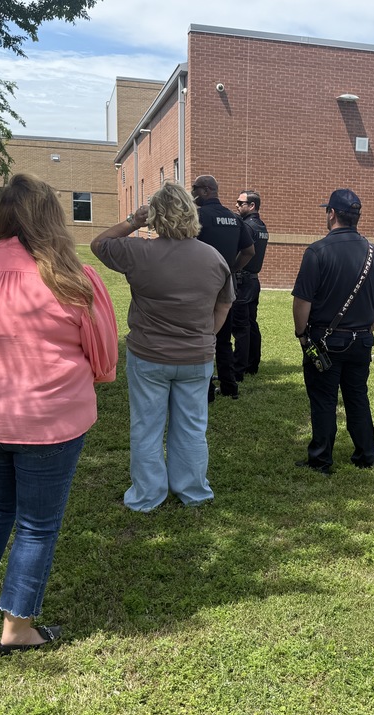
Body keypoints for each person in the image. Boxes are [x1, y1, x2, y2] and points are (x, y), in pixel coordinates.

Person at [0, 173, 118, 655]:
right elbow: (103, 355)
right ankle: (17, 629)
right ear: (51, 216)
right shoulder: (74, 276)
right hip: (51, 418)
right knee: (36, 524)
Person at [91, 183, 235, 509]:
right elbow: (224, 306)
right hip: (196, 357)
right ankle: (194, 491)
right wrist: (206, 336)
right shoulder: (213, 258)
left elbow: (99, 244)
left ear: (154, 216)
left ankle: (147, 495)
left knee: (147, 427)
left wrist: (133, 220)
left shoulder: (139, 252)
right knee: (192, 428)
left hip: (149, 355)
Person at [292, 189, 374, 474]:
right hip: (361, 339)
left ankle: (321, 458)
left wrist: (302, 334)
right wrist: (370, 326)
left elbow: (302, 301)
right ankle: (365, 454)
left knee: (323, 400)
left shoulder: (317, 251)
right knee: (357, 395)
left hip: (325, 339)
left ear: (332, 213)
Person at [191, 175, 254, 399]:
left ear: (206, 190)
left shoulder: (197, 217)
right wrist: (231, 270)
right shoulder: (234, 218)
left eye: (195, 188)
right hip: (225, 287)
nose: (192, 192)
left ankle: (206, 391)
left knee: (202, 338)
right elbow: (249, 251)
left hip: (200, 288)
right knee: (224, 339)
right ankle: (229, 388)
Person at [233, 189, 269, 375]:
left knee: (241, 326)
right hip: (253, 281)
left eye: (241, 203)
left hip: (243, 281)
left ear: (252, 206)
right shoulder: (261, 226)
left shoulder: (246, 226)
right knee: (251, 324)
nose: (236, 205)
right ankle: (252, 364)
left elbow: (243, 252)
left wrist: (233, 268)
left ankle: (239, 367)